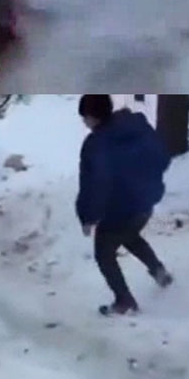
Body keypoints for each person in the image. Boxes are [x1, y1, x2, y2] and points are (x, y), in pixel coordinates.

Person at [76, 95, 173, 316]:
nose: (84, 122)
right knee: (128, 235)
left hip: (120, 210)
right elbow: (163, 157)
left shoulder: (95, 145)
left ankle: (124, 301)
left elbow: (93, 186)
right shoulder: (137, 125)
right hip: (145, 204)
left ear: (93, 116)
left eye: (85, 117)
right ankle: (159, 272)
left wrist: (87, 216)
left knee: (104, 252)